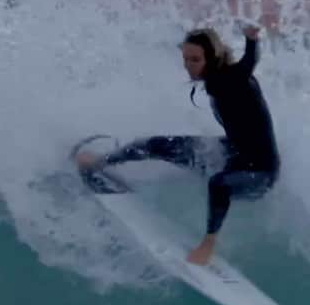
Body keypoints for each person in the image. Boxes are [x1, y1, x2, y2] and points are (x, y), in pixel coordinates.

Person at [77, 24, 280, 266]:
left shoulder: (230, 79)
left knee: (219, 184)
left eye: (195, 59)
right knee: (158, 144)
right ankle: (101, 162)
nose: (188, 65)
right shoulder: (217, 78)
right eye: (185, 58)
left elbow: (247, 65)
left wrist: (251, 40)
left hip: (260, 172)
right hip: (233, 152)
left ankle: (209, 243)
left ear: (212, 57)